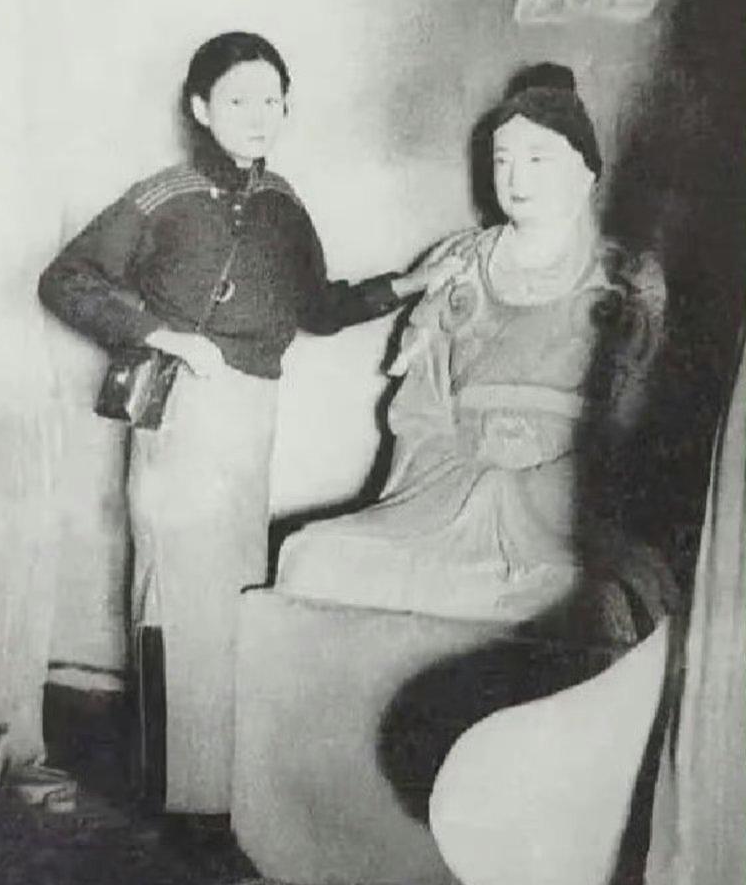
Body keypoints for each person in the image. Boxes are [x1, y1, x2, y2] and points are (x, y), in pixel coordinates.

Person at [38, 30, 430, 816]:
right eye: (239, 99)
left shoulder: (284, 203)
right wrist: (164, 336)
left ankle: (215, 792)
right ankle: (174, 795)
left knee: (233, 594)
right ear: (200, 107)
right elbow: (65, 279)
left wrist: (408, 284)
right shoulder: (164, 196)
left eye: (272, 101)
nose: (258, 116)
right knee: (175, 598)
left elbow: (319, 308)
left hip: (253, 417)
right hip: (180, 413)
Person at [277, 63, 673, 639]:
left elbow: (635, 424)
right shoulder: (456, 262)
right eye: (502, 159)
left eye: (538, 158)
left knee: (574, 594)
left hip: (562, 509)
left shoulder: (625, 277)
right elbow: (418, 410)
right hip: (442, 494)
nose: (516, 176)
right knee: (311, 557)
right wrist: (468, 481)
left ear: (585, 172)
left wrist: (525, 490)